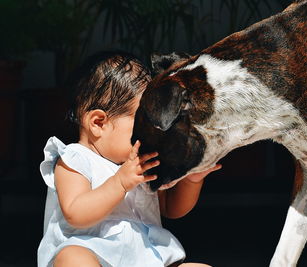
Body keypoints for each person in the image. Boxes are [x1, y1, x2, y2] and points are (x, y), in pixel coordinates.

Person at [37, 50, 221, 267]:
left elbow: (171, 208)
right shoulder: (75, 159)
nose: (153, 134)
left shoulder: (141, 163)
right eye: (142, 125)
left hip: (147, 259)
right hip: (96, 257)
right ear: (98, 123)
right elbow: (75, 213)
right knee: (73, 258)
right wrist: (119, 183)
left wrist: (192, 180)